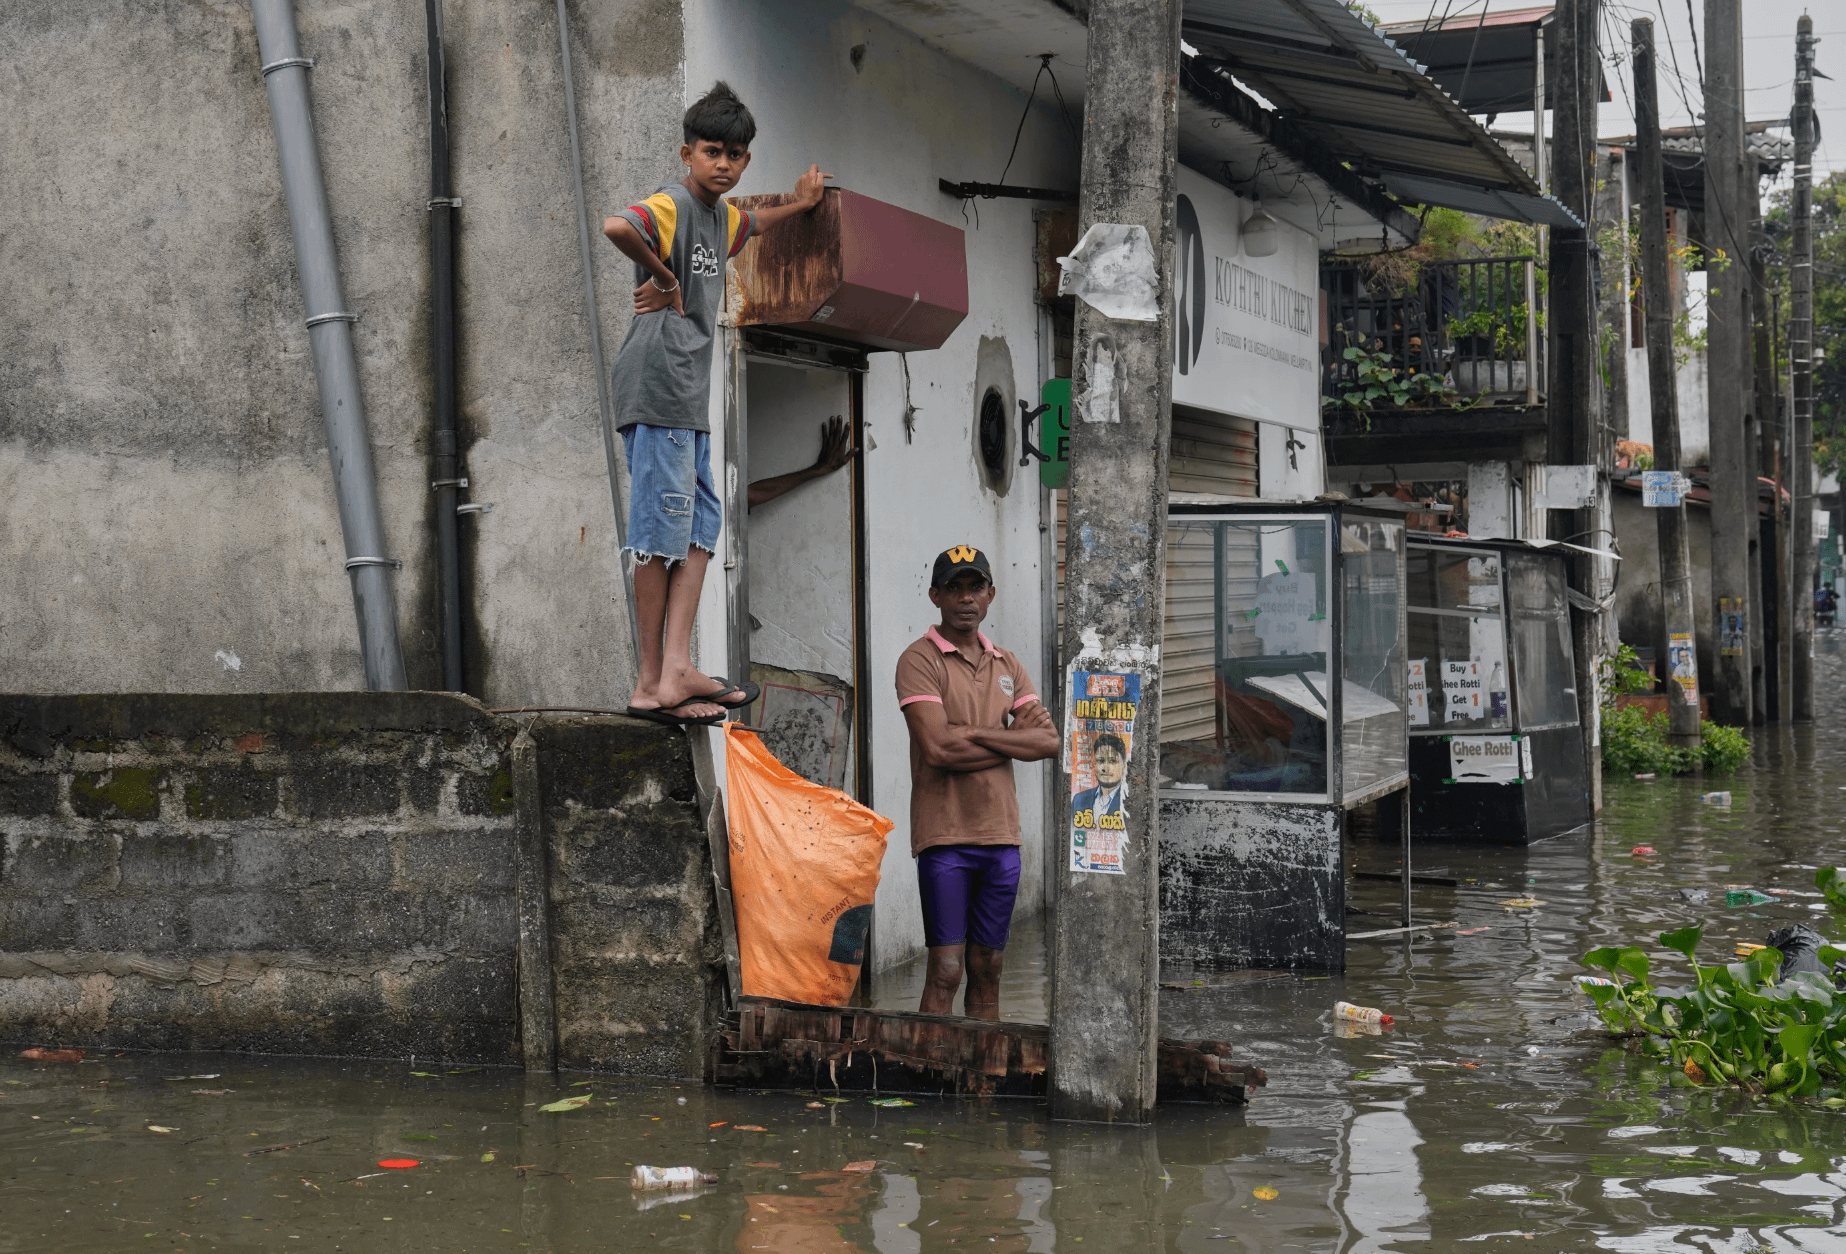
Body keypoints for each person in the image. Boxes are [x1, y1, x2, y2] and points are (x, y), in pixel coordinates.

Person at [603, 82, 832, 726]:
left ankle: (677, 667)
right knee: (659, 535)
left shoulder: (720, 217)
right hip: (657, 389)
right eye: (712, 152)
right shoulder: (674, 204)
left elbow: (753, 225)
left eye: (735, 155)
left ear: (745, 160)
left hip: (686, 398)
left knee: (702, 525)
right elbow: (618, 225)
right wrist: (664, 276)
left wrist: (801, 203)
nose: (724, 164)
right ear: (688, 154)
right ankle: (652, 682)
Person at [896, 545, 1059, 1020]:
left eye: (975, 587)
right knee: (945, 970)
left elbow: (1049, 742)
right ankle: (930, 1062)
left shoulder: (1007, 663)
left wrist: (972, 732)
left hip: (1001, 837)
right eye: (954, 588)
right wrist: (1011, 740)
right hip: (945, 837)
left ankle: (981, 1064)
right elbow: (938, 749)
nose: (965, 598)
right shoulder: (919, 660)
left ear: (990, 595)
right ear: (936, 596)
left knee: (989, 967)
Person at [1071, 732, 1128, 825]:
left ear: (1124, 765)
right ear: (1094, 764)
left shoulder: (1129, 802)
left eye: (1112, 761)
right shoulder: (1079, 799)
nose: (1105, 768)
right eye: (1100, 761)